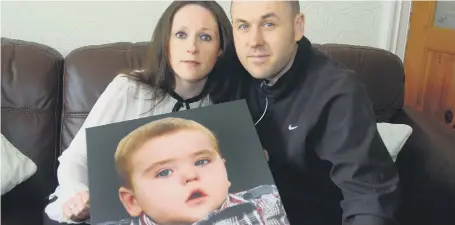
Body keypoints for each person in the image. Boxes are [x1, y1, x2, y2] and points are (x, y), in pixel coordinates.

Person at [44, 1, 241, 223]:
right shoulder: (128, 89)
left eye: (205, 37)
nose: (192, 47)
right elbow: (76, 158)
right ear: (165, 42)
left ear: (221, 49)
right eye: (180, 34)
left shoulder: (225, 105)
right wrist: (77, 196)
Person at [230, 1, 401, 225]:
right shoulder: (233, 73)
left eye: (269, 24)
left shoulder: (339, 92)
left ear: (298, 26)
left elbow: (368, 195)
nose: (254, 41)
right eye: (243, 26)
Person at [102, 117, 289, 225]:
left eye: (201, 161)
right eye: (165, 172)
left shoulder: (268, 202)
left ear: (225, 171)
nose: (191, 176)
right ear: (133, 201)